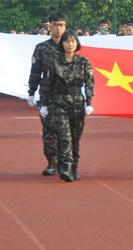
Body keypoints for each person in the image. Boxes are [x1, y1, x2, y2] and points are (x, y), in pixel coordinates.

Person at [40, 31, 95, 182]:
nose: (70, 44)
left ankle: (74, 166)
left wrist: (89, 101)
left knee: (75, 138)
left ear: (77, 44)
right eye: (67, 41)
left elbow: (89, 83)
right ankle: (67, 166)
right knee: (64, 136)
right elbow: (48, 84)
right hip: (60, 102)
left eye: (72, 41)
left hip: (77, 103)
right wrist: (43, 103)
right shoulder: (55, 62)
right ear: (62, 44)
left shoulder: (83, 61)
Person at [27, 12, 67, 176]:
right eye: (55, 24)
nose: (58, 28)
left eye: (62, 25)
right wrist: (31, 91)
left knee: (66, 130)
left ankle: (65, 161)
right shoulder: (42, 48)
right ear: (49, 26)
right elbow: (35, 71)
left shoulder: (71, 45)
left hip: (67, 95)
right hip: (48, 94)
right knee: (49, 128)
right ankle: (51, 162)